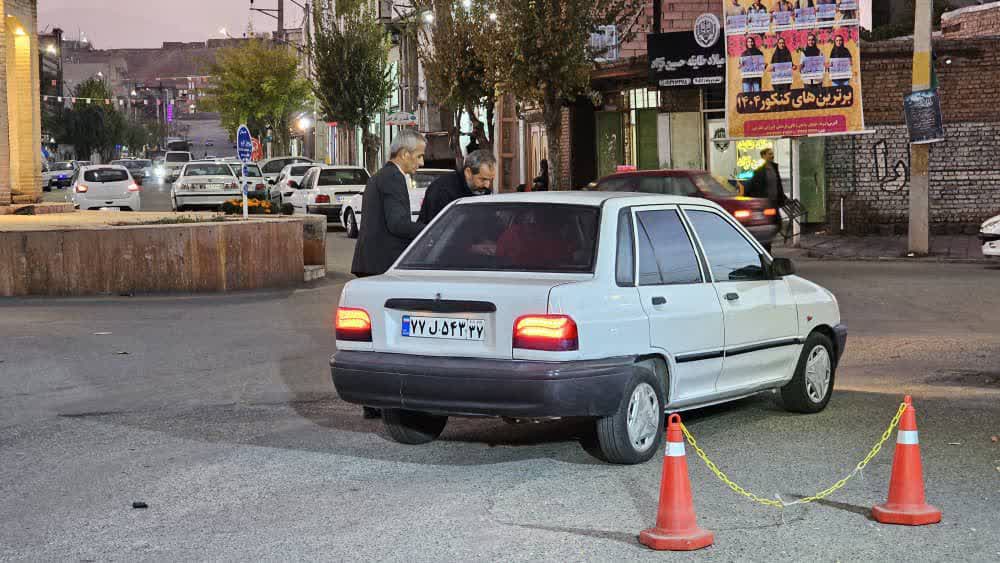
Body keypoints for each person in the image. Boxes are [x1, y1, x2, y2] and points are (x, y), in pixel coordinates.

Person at [350, 128, 428, 419]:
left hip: (370, 263)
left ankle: (371, 400)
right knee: (383, 337)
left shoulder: (380, 177)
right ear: (405, 154)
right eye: (419, 156)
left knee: (370, 337)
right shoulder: (394, 179)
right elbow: (397, 224)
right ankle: (378, 400)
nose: (420, 163)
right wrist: (430, 234)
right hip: (382, 267)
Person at [418, 149, 497, 224]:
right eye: (483, 179)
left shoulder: (483, 190)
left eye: (490, 180)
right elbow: (438, 229)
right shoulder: (442, 190)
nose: (487, 185)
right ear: (468, 172)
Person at [746, 148, 788, 251]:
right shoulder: (760, 171)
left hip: (774, 203)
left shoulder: (774, 168)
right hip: (765, 205)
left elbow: (778, 185)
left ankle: (766, 247)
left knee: (777, 224)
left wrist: (782, 197)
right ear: (763, 156)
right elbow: (752, 188)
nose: (772, 156)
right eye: (769, 154)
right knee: (769, 226)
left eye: (772, 154)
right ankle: (765, 249)